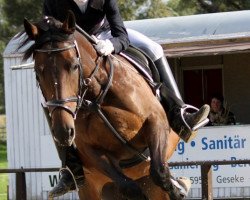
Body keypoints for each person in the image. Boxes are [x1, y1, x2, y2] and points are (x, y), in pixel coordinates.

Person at [42, 0, 210, 198]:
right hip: (70, 46)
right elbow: (48, 32)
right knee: (55, 94)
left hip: (104, 36)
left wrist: (112, 44)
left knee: (153, 47)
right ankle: (70, 168)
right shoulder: (52, 2)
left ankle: (180, 113)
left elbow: (121, 34)